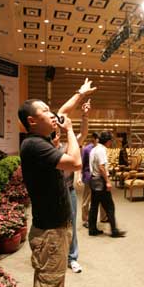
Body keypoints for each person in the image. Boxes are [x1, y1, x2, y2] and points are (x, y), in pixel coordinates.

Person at [18, 80, 94, 287]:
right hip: (49, 232)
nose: (54, 115)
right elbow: (76, 161)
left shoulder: (41, 140)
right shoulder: (35, 145)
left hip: (54, 228)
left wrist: (79, 94)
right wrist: (71, 130)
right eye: (46, 112)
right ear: (32, 121)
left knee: (51, 286)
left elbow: (62, 112)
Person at [53, 99, 92, 273]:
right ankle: (55, 254)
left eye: (57, 132)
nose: (56, 135)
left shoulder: (67, 146)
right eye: (53, 133)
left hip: (68, 191)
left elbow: (83, 134)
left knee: (71, 224)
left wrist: (84, 116)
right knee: (53, 225)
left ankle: (72, 257)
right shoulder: (44, 149)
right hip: (52, 193)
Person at [88, 130, 126, 238]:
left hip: (94, 180)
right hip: (101, 181)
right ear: (108, 141)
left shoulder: (94, 149)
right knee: (110, 206)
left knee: (94, 206)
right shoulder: (101, 150)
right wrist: (108, 181)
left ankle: (92, 229)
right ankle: (114, 231)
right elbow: (101, 167)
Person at [81, 132, 108, 229]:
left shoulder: (101, 149)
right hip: (89, 176)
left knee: (102, 198)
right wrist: (82, 176)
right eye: (96, 138)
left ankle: (103, 217)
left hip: (99, 176)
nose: (97, 140)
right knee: (87, 200)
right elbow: (83, 164)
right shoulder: (87, 149)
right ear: (93, 139)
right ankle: (85, 219)